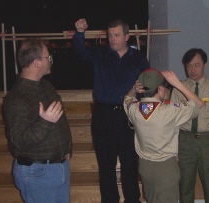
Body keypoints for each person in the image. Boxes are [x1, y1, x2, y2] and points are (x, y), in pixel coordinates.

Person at [73, 18, 150, 203]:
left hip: (129, 115)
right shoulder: (100, 54)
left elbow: (149, 86)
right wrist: (79, 33)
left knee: (130, 163)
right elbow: (80, 54)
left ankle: (132, 199)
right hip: (103, 115)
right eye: (110, 35)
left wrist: (145, 92)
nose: (112, 39)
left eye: (116, 35)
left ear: (127, 36)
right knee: (106, 166)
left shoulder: (138, 58)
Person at [3, 38, 72, 203]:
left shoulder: (46, 87)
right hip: (37, 173)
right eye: (48, 57)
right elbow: (19, 141)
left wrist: (67, 149)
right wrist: (45, 122)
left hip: (59, 167)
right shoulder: (17, 97)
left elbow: (61, 123)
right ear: (36, 62)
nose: (51, 61)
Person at [123, 68, 203, 203]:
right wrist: (177, 84)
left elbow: (127, 99)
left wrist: (133, 88)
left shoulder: (134, 109)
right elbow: (198, 104)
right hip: (165, 167)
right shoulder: (170, 111)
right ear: (160, 90)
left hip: (145, 167)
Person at [170, 48, 209, 203]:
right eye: (189, 66)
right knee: (185, 185)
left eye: (197, 65)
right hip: (185, 142)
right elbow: (172, 120)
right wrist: (173, 148)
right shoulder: (179, 88)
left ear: (205, 65)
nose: (192, 70)